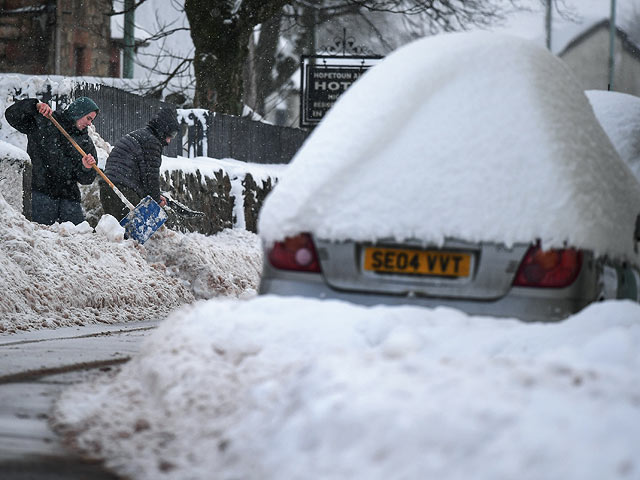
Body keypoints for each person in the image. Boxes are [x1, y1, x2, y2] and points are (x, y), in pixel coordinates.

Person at [5, 97, 99, 225]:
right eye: (88, 118)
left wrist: (86, 167)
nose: (89, 124)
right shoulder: (45, 121)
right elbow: (12, 115)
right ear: (78, 112)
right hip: (41, 194)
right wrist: (35, 106)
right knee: (42, 236)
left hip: (69, 201)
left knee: (78, 238)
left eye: (91, 120)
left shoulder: (86, 143)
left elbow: (87, 179)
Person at [100, 107, 179, 221]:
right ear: (163, 129)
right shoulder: (152, 142)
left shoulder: (139, 135)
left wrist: (155, 195)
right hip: (123, 191)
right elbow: (150, 176)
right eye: (171, 134)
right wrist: (156, 200)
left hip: (107, 188)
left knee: (115, 232)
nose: (169, 140)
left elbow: (140, 173)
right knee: (131, 235)